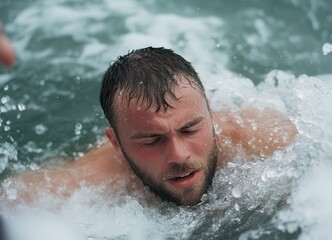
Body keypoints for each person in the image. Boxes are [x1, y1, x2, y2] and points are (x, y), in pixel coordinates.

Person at [0, 47, 297, 206]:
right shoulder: (85, 185)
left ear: (211, 115)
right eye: (152, 140)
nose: (179, 155)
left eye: (190, 129)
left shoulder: (268, 140)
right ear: (116, 144)